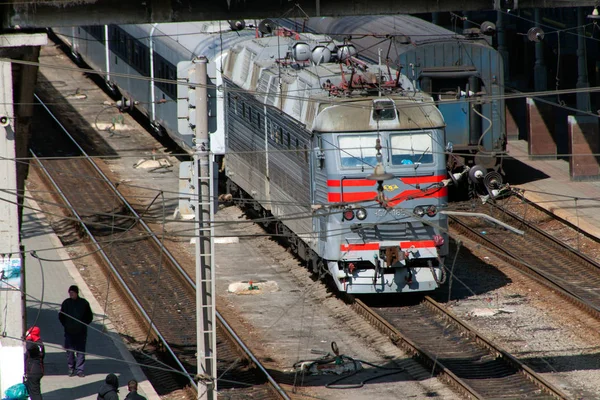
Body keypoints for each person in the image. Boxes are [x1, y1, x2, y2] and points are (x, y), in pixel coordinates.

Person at [58, 284, 93, 377]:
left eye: (73, 293)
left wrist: (83, 324)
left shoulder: (84, 303)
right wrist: (66, 325)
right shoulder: (66, 303)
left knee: (80, 351)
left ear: (77, 293)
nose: (71, 294)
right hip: (69, 332)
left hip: (81, 332)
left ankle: (80, 370)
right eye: (70, 293)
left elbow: (89, 316)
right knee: (69, 351)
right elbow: (61, 316)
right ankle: (71, 368)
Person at [24, 326, 45, 400]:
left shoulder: (34, 345)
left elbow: (29, 347)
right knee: (35, 391)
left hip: (34, 371)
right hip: (37, 370)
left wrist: (29, 337)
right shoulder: (39, 342)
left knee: (35, 393)